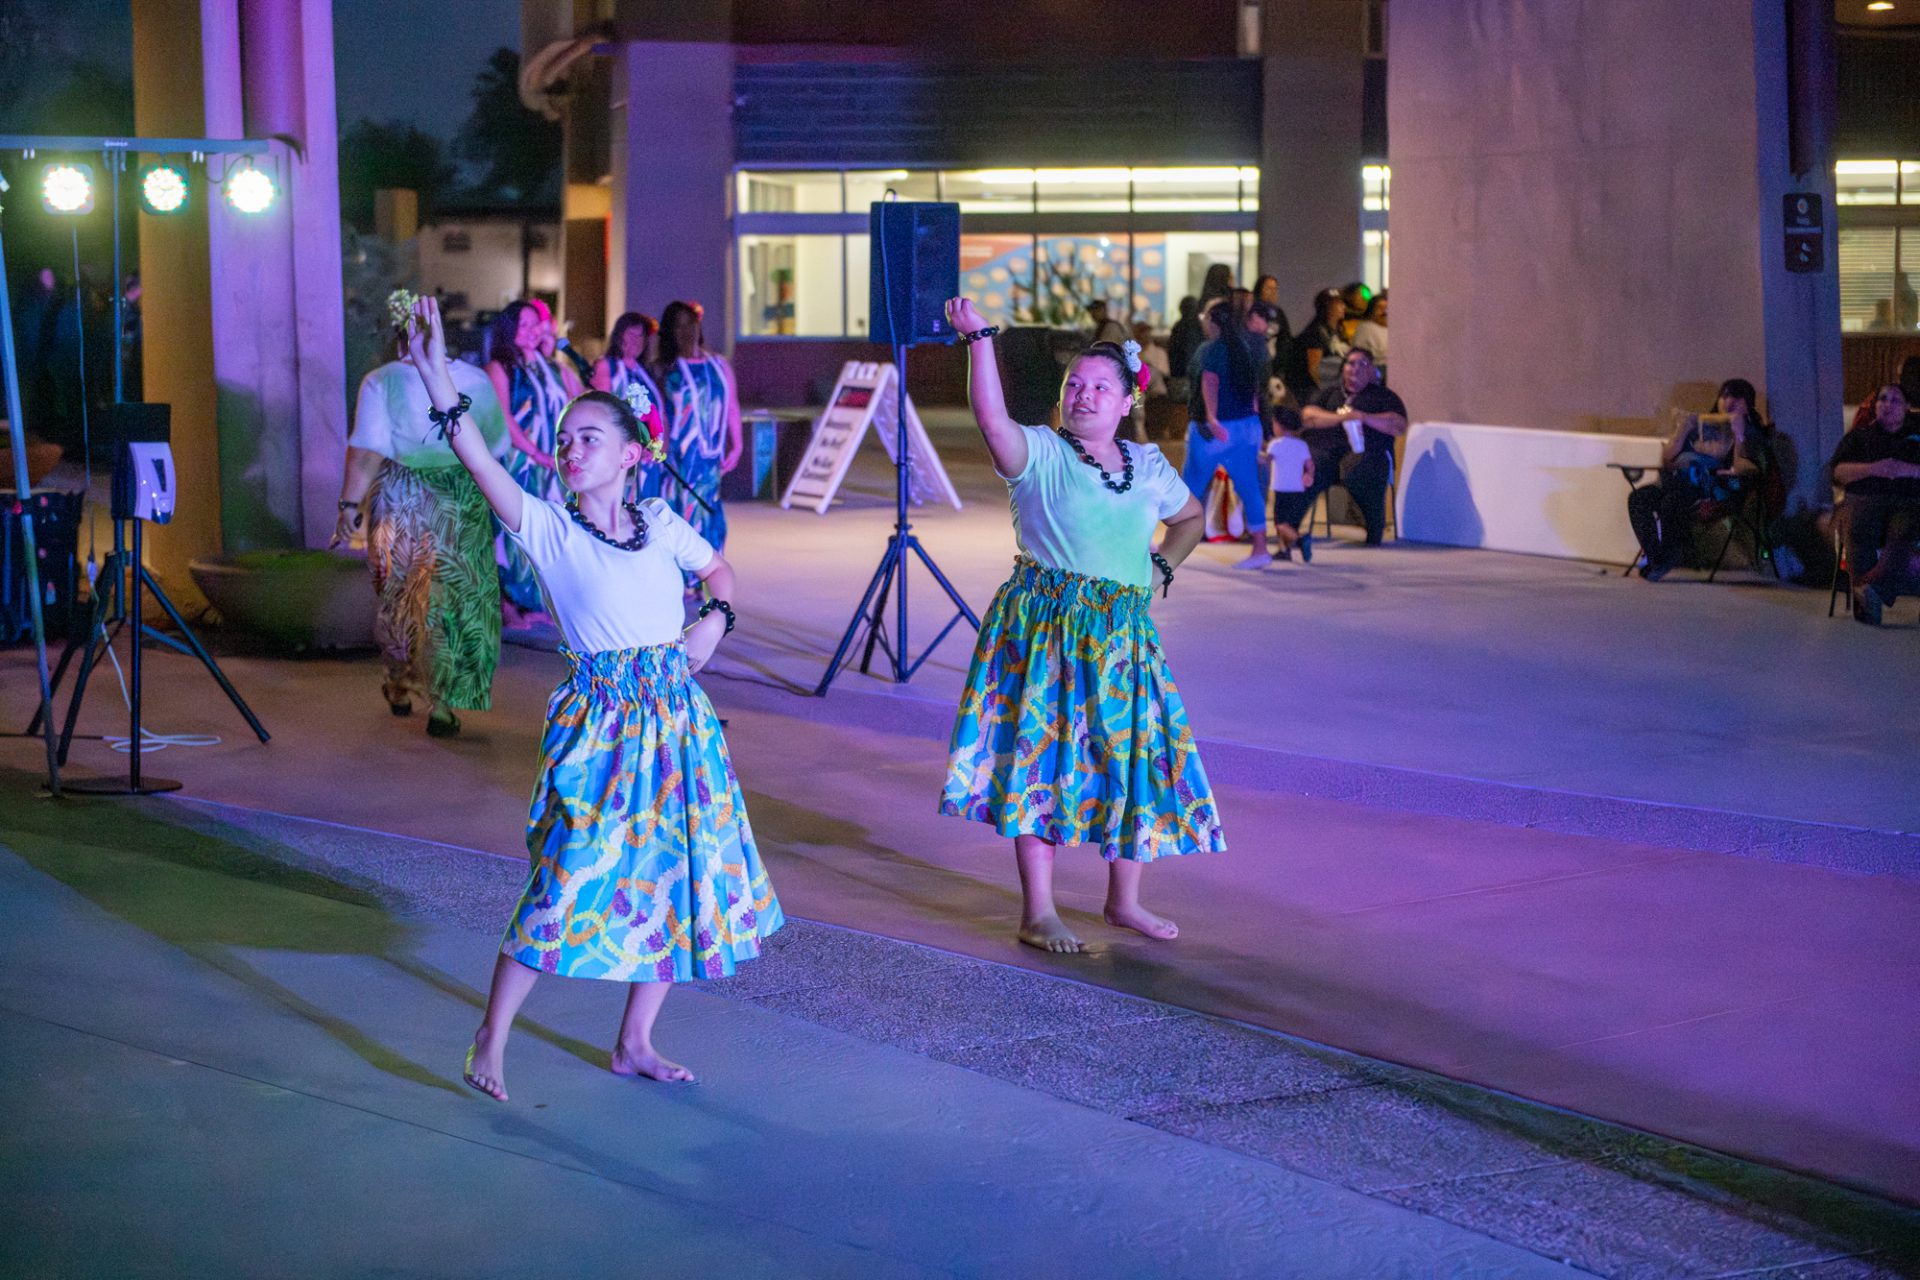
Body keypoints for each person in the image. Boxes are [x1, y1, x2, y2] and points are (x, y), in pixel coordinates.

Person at [402, 296, 782, 1100]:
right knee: (567, 875)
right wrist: (436, 370)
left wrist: (712, 622)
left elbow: (720, 572)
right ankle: (491, 1035)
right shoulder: (548, 527)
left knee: (681, 874)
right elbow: (477, 455)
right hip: (602, 723)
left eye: (589, 438)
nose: (571, 450)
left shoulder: (659, 520)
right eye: (567, 439)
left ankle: (636, 1041)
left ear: (631, 454)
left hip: (678, 716)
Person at [939, 295, 1223, 955]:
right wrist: (980, 338)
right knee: (1046, 761)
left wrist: (1162, 569)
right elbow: (990, 418)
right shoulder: (1039, 454)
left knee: (1132, 758)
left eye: (1100, 387)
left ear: (1128, 403)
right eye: (1075, 386)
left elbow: (1190, 521)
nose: (1084, 395)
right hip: (1047, 637)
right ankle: (1037, 910)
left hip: (1123, 639)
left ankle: (1124, 899)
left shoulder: (1148, 467)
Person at [333, 294, 511, 736]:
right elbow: (498, 447)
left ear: (398, 340)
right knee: (460, 600)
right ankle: (444, 701)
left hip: (403, 495)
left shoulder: (382, 380)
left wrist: (349, 507)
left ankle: (401, 681)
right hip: (464, 495)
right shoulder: (476, 380)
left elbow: (367, 452)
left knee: (403, 598)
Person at [1627, 378, 1768, 581]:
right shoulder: (1704, 426)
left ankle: (1673, 553)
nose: (1729, 401)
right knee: (1638, 498)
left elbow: (1740, 467)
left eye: (1736, 397)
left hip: (1715, 489)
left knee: (1672, 501)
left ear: (1748, 404)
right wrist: (1682, 431)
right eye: (1725, 395)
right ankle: (1656, 557)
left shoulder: (1750, 433)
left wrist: (1738, 433)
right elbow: (1667, 461)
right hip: (1678, 482)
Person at [485, 301, 572, 626]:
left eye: (537, 325)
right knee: (514, 533)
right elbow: (504, 419)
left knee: (547, 533)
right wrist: (536, 454)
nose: (532, 331)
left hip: (551, 466)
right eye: (523, 325)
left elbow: (580, 396)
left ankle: (537, 602)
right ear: (508, 330)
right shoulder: (500, 367)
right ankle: (511, 604)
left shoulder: (550, 368)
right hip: (520, 463)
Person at [1184, 300, 1274, 569]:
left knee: (1189, 488)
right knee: (1249, 488)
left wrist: (1211, 417)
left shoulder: (1211, 349)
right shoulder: (1244, 347)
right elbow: (1255, 390)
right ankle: (1260, 548)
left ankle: (1171, 543)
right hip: (1247, 426)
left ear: (1213, 320)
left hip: (1218, 428)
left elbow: (1209, 381)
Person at [653, 301, 743, 558]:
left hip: (709, 458)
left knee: (707, 509)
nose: (686, 330)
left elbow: (732, 406)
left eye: (690, 323)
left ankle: (705, 570)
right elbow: (656, 414)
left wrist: (737, 444)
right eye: (678, 325)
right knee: (680, 511)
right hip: (678, 458)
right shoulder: (664, 369)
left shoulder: (718, 365)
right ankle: (684, 575)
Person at [1830, 382, 1920, 625]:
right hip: (1865, 500)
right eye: (1882, 399)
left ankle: (1870, 589)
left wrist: (1907, 470)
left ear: (1907, 407)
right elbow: (1838, 472)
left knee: (1903, 531)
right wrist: (1875, 469)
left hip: (1908, 501)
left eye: (1895, 400)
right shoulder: (1859, 436)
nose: (1887, 405)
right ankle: (1868, 605)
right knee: (1857, 525)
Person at [1300, 347, 1409, 545]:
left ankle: (1373, 526)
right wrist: (1341, 417)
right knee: (1308, 463)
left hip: (1367, 455)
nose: (1355, 369)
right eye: (1351, 363)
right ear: (1343, 369)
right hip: (1329, 454)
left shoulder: (1383, 397)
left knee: (1361, 466)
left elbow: (1399, 424)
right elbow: (1308, 416)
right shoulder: (1330, 394)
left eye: (1362, 364)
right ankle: (1290, 528)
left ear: (1371, 371)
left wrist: (1363, 418)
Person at [591, 311, 665, 494]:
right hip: (621, 456)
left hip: (649, 459)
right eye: (631, 335)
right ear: (619, 336)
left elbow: (660, 414)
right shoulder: (606, 366)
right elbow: (604, 412)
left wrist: (659, 448)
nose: (636, 341)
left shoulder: (647, 371)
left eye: (641, 336)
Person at [1267, 404, 1315, 561]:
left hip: (1281, 488)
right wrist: (1309, 475)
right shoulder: (1302, 445)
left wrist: (1252, 455)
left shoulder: (1275, 444)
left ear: (1280, 425)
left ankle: (1301, 540)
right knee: (1288, 521)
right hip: (1297, 489)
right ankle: (1284, 550)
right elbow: (1310, 465)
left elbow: (1266, 460)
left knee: (1280, 523)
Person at [1283, 288, 1349, 403]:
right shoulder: (1315, 334)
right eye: (1338, 303)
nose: (1344, 307)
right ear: (1327, 308)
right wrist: (1325, 394)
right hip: (1307, 391)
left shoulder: (1336, 332)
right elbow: (1313, 369)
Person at [1165, 296, 1205, 394]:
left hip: (1177, 380)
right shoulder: (1197, 327)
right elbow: (1190, 355)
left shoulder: (1178, 326)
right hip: (1190, 381)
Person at [1350, 291, 1387, 371]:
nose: (1385, 312)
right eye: (1380, 308)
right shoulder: (1365, 328)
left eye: (1386, 308)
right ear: (1371, 312)